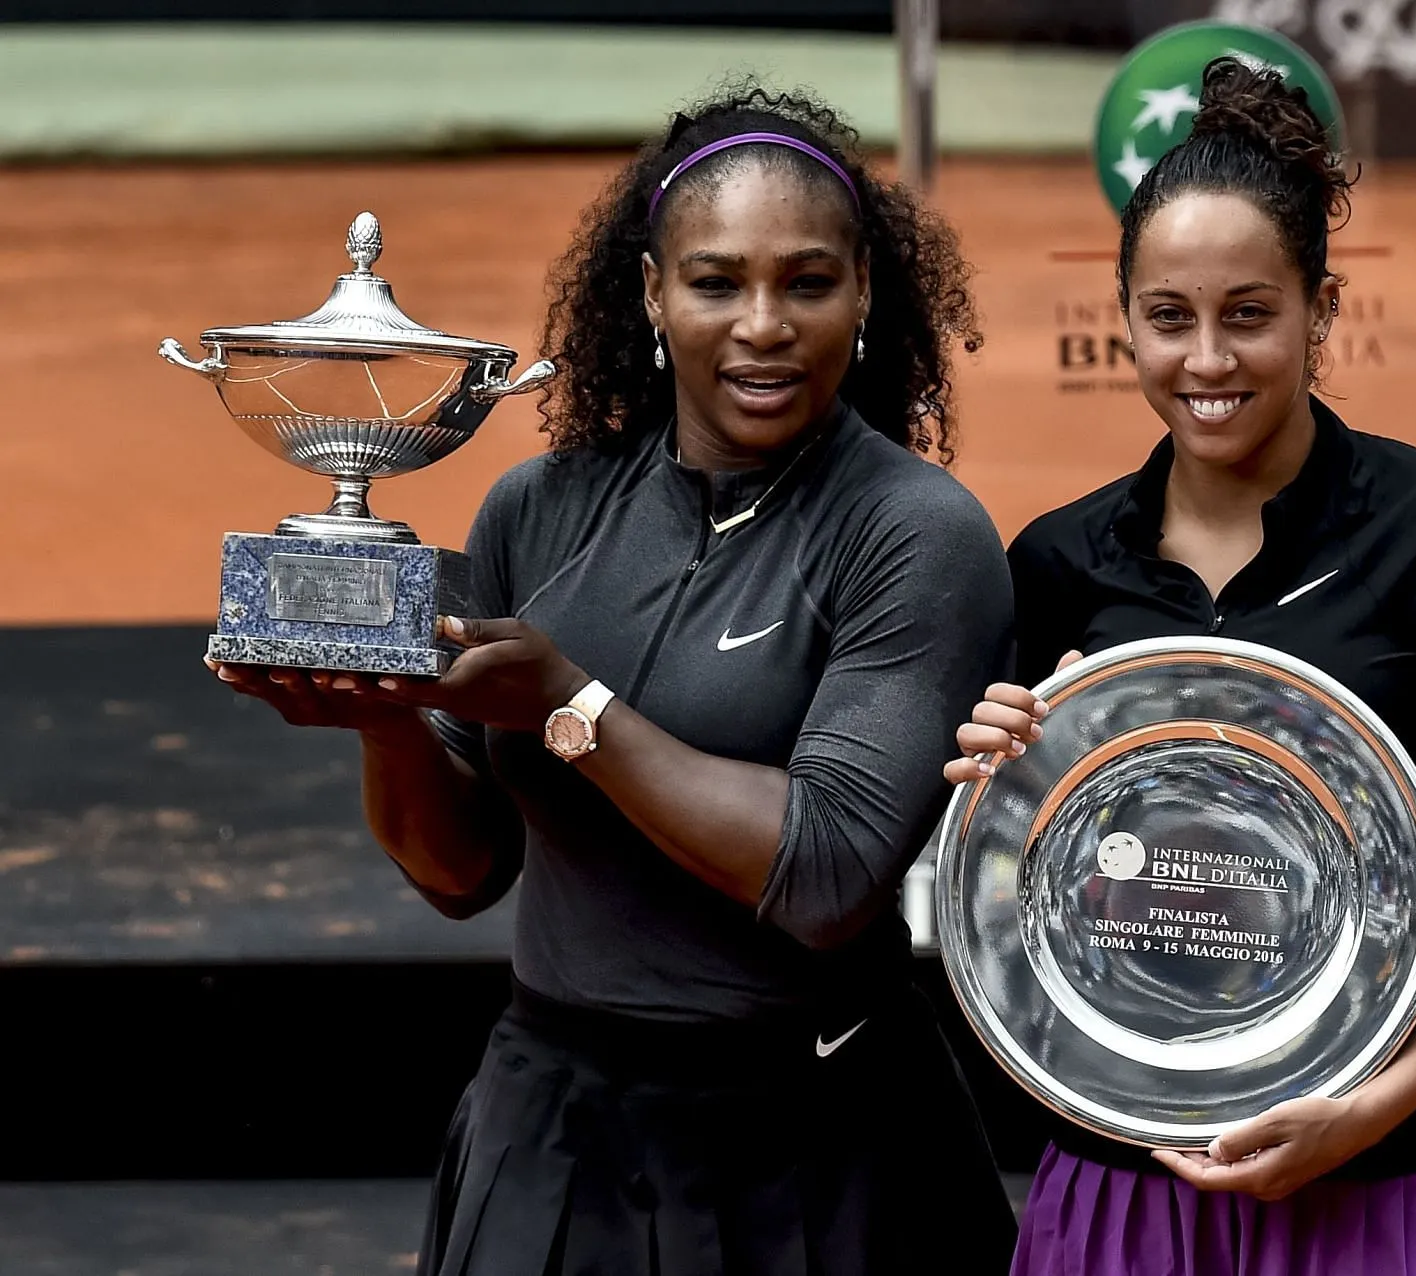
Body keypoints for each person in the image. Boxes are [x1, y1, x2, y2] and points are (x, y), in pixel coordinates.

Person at [210, 84, 1019, 1276]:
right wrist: (383, 728)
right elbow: (460, 872)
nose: (762, 324)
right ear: (651, 292)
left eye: (806, 282)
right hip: (553, 1132)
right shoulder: (541, 511)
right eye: (714, 281)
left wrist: (568, 708)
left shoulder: (915, 533)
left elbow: (829, 873)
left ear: (862, 296)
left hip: (819, 1147)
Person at [943, 57, 1416, 1276]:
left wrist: (1375, 1102)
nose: (1206, 361)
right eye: (1167, 317)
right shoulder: (1057, 564)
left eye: (1250, 314)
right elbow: (1013, 913)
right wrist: (994, 799)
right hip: (1133, 1192)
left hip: (1405, 1184)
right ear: (1122, 314)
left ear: (1322, 310)